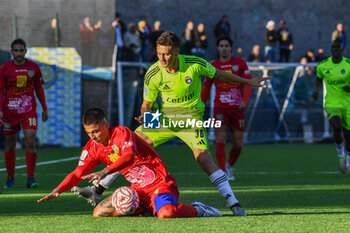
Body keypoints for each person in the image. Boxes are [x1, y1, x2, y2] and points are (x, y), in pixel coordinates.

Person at [133, 31, 269, 216]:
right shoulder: (153, 72)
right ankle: (100, 186)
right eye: (159, 54)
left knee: (204, 159)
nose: (162, 58)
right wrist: (146, 118)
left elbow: (219, 75)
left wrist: (247, 82)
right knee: (131, 144)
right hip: (164, 118)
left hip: (191, 118)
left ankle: (233, 203)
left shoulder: (194, 64)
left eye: (166, 53)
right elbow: (146, 105)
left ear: (177, 51)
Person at [37, 108, 222, 218]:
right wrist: (58, 190)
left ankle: (200, 210)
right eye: (88, 133)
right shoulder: (92, 148)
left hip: (160, 184)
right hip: (138, 191)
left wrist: (104, 171)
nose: (93, 137)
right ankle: (148, 209)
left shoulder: (121, 133)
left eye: (95, 131)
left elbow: (129, 157)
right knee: (99, 213)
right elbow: (77, 173)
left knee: (166, 213)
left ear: (105, 124)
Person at [201, 36, 252, 181]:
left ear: (231, 48)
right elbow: (207, 87)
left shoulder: (240, 63)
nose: (224, 48)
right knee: (220, 138)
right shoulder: (213, 65)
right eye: (221, 45)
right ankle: (222, 172)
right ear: (217, 48)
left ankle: (229, 165)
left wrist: (244, 100)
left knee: (238, 143)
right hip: (220, 108)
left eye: (226, 45)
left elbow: (248, 83)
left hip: (237, 108)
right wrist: (201, 103)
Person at [0, 38, 48, 189]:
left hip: (28, 111)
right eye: (16, 50)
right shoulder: (5, 69)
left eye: (22, 50)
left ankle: (31, 178)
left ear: (25, 51)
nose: (19, 53)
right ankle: (10, 178)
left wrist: (44, 108)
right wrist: (0, 110)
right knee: (10, 145)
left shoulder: (33, 67)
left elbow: (39, 89)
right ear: (12, 52)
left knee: (30, 140)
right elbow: (0, 91)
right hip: (10, 112)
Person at [312, 39, 350, 174]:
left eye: (337, 47)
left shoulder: (348, 65)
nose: (334, 50)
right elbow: (318, 78)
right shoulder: (323, 65)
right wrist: (316, 91)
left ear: (342, 49)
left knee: (348, 134)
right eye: (332, 47)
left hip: (347, 104)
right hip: (332, 103)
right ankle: (341, 156)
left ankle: (348, 162)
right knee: (337, 126)